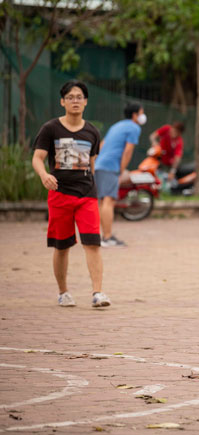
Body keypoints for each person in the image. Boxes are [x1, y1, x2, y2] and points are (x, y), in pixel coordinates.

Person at [31, 80, 111, 308]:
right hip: (60, 195)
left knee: (92, 243)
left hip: (86, 194)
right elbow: (37, 158)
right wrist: (44, 175)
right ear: (62, 101)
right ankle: (63, 292)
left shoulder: (92, 132)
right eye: (70, 97)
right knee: (62, 246)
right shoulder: (51, 129)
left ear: (85, 102)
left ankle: (98, 292)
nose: (75, 101)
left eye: (79, 97)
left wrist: (95, 188)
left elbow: (92, 164)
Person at [94, 102, 146, 247]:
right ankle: (108, 237)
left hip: (100, 165)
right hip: (111, 166)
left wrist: (96, 162)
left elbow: (101, 145)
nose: (143, 116)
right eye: (141, 113)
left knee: (101, 201)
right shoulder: (134, 127)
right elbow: (128, 151)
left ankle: (99, 236)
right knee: (109, 201)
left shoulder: (117, 125)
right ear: (135, 115)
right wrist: (120, 170)